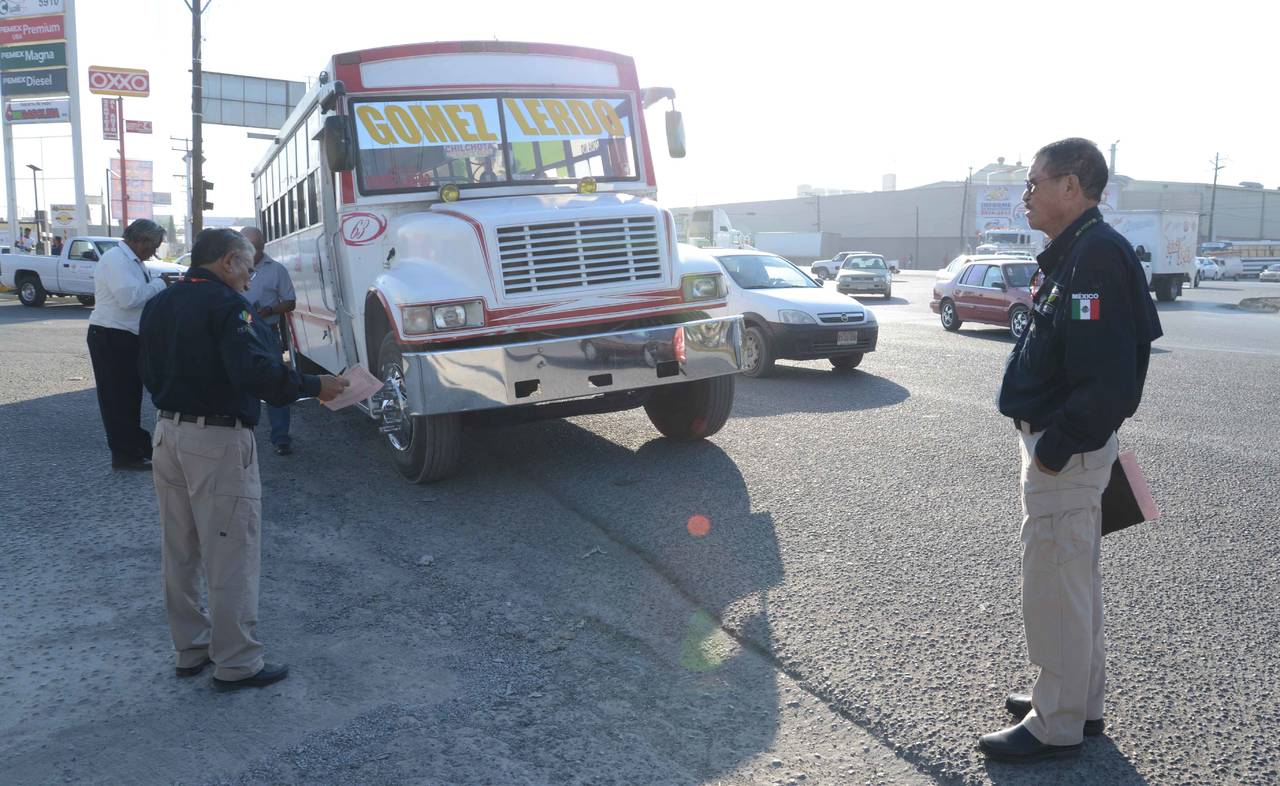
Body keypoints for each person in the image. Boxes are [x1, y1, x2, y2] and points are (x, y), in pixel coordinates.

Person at [982, 138, 1163, 761]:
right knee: (1071, 584)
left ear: (1073, 185)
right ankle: (1076, 701)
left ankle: (1054, 720)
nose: (1025, 194)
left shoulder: (1096, 257)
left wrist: (1054, 450)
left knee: (1054, 586)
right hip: (1065, 449)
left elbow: (1111, 379)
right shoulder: (1076, 252)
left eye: (1035, 182)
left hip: (1067, 454)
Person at [139, 228, 347, 692]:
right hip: (216, 440)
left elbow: (146, 371)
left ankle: (190, 649)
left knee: (180, 548)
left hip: (167, 433)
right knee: (229, 550)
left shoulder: (160, 302)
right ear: (229, 261)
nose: (251, 278)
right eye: (249, 268)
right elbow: (255, 372)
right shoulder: (228, 307)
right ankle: (236, 662)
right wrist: (315, 385)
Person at [87, 219, 169, 470]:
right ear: (140, 240)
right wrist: (159, 283)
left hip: (126, 336)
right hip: (111, 336)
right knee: (117, 398)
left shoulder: (132, 261)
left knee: (129, 397)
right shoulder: (116, 260)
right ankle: (124, 455)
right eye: (152, 246)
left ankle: (136, 447)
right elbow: (128, 298)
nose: (153, 252)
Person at [239, 226, 298, 455]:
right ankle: (242, 437)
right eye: (250, 247)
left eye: (259, 247)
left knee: (276, 382)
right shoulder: (232, 268)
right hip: (240, 332)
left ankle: (281, 437)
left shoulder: (276, 269)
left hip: (268, 332)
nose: (255, 252)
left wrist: (269, 309)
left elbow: (290, 302)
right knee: (241, 383)